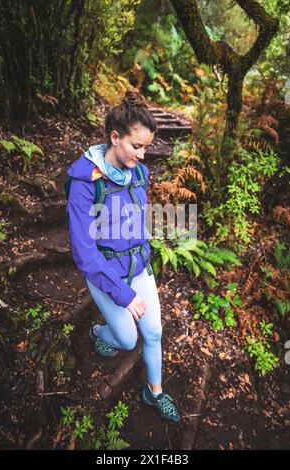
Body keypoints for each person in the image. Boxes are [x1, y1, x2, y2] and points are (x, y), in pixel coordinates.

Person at [66, 90, 181, 424]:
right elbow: (83, 252)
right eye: (136, 146)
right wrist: (122, 293)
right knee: (127, 338)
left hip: (139, 266)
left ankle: (154, 393)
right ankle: (98, 334)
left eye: (146, 147)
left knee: (154, 332)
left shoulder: (139, 173)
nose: (142, 155)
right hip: (106, 273)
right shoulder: (84, 183)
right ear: (114, 137)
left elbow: (136, 214)